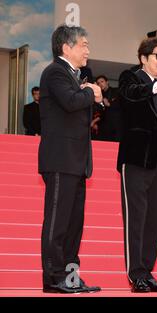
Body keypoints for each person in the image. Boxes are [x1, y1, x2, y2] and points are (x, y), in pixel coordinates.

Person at [38, 25, 102, 293]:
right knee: (58, 223)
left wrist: (88, 91)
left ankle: (71, 277)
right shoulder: (55, 71)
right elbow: (70, 101)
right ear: (67, 47)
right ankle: (54, 279)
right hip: (60, 159)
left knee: (74, 225)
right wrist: (92, 92)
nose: (88, 50)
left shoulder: (75, 76)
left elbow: (79, 106)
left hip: (76, 162)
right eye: (84, 45)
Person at [117, 37, 157, 293]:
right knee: (136, 219)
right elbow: (130, 96)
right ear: (143, 58)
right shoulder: (131, 78)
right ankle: (136, 275)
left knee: (153, 220)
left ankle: (148, 272)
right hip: (134, 159)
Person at [95, 75, 121, 142]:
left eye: (102, 81)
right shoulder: (99, 95)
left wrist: (109, 104)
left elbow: (122, 105)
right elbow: (100, 112)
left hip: (116, 125)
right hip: (104, 126)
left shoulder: (116, 91)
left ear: (107, 82)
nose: (100, 84)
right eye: (98, 83)